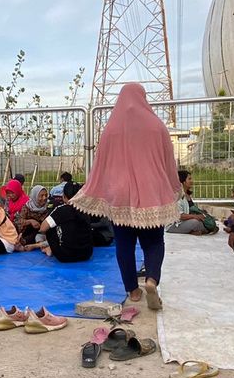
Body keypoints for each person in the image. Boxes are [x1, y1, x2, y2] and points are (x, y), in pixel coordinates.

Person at [70, 83, 180, 309]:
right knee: (154, 242)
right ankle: (151, 280)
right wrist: (171, 186)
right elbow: (169, 161)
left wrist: (97, 187)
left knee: (124, 244)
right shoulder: (156, 126)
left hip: (119, 192)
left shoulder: (111, 129)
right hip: (151, 190)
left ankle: (132, 289)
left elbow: (101, 164)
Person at [36, 181, 94, 263]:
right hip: (86, 254)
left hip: (65, 256)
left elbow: (42, 228)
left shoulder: (61, 209)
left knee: (50, 227)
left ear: (64, 196)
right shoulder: (85, 209)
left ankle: (51, 249)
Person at [167, 170, 217, 235]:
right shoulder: (177, 196)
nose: (192, 181)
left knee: (207, 220)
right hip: (175, 225)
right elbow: (179, 216)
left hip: (186, 221)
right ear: (183, 181)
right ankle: (207, 230)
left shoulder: (187, 195)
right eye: (189, 179)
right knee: (195, 222)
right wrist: (196, 216)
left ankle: (204, 230)